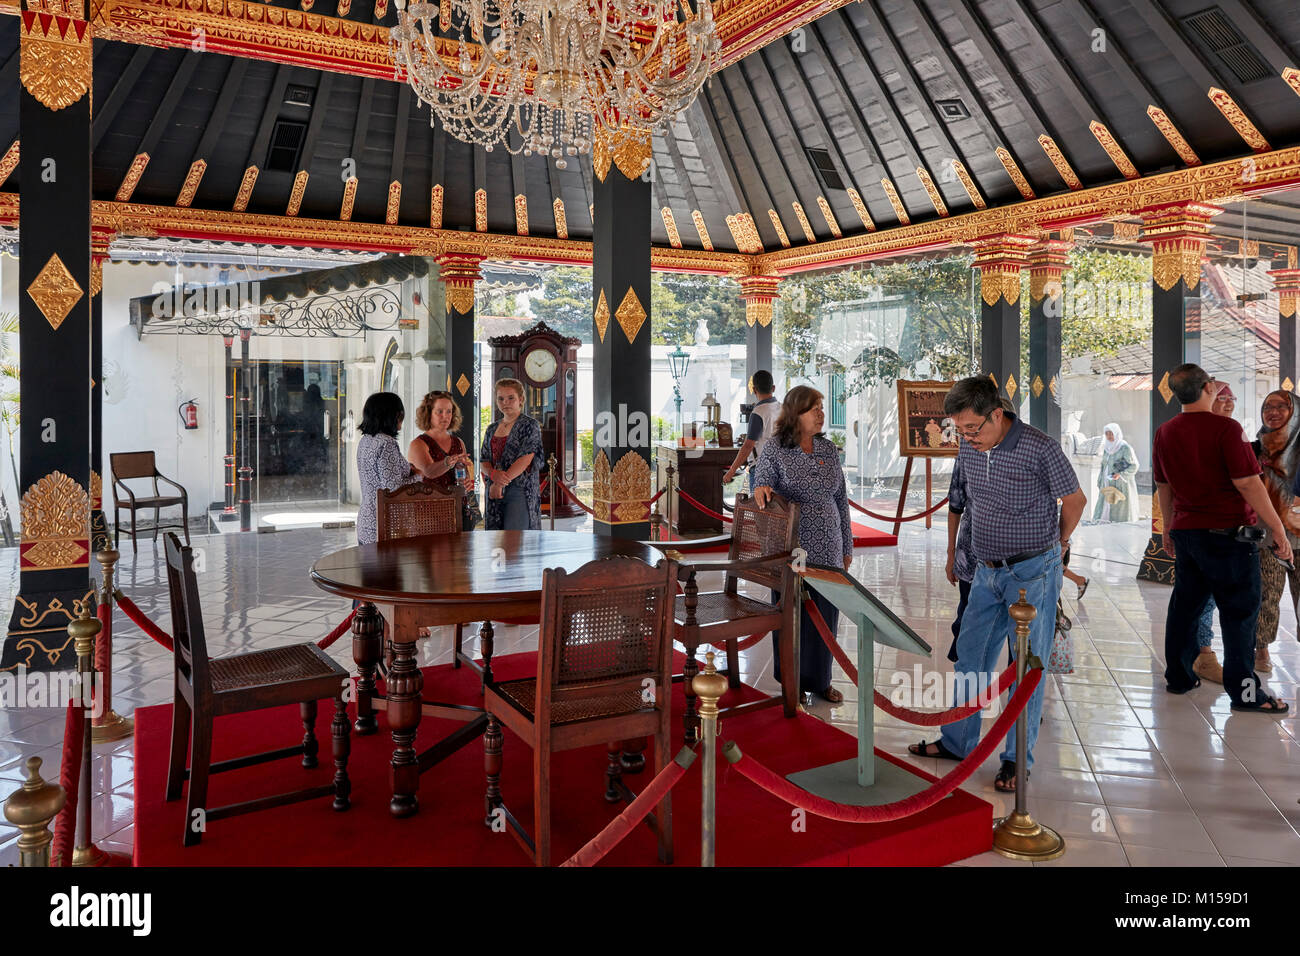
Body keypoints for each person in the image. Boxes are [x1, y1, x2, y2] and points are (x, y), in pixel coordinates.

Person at [908, 376, 1085, 792]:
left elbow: (1075, 501)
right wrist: (955, 553)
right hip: (984, 572)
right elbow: (961, 502)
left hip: (1032, 574)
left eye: (974, 429)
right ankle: (958, 743)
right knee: (970, 659)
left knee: (1024, 667)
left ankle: (1015, 759)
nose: (968, 438)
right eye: (961, 430)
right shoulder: (970, 449)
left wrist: (1056, 545)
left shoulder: (1040, 447)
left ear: (998, 414)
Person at [1154, 364, 1291, 713]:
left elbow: (1164, 487)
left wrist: (1169, 528)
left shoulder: (1165, 431)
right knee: (1239, 614)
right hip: (1228, 537)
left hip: (1187, 534)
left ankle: (1180, 678)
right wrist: (1276, 528)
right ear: (1208, 387)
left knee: (1185, 607)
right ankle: (1246, 695)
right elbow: (1248, 482)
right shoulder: (1226, 429)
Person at [753, 385, 855, 704]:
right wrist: (760, 489)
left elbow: (840, 499)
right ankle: (792, 681)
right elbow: (761, 482)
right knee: (792, 615)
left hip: (829, 543)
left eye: (822, 407)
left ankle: (821, 681)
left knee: (825, 615)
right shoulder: (775, 449)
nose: (821, 414)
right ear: (796, 413)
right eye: (815, 409)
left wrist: (847, 546)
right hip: (792, 545)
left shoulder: (828, 449)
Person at [1190, 380, 1245, 683]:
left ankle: (1198, 654)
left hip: (1226, 526)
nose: (1228, 402)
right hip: (1208, 526)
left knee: (1206, 596)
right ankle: (1204, 654)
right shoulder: (1206, 433)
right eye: (1221, 397)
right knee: (1204, 597)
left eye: (1231, 397)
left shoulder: (1231, 431)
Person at [1253, 389, 1300, 673]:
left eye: (1281, 406)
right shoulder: (1255, 447)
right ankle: (1261, 651)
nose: (1272, 411)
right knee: (1265, 593)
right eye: (1267, 406)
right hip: (1268, 532)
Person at [480, 378, 543, 530]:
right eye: (500, 399)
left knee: (516, 540)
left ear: (521, 399)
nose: (505, 402)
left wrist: (499, 483)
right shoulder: (491, 428)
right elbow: (484, 459)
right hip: (494, 489)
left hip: (520, 489)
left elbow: (525, 459)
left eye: (510, 398)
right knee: (496, 540)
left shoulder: (530, 425)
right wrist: (493, 476)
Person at [356, 391, 415, 546]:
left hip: (366, 521)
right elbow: (393, 489)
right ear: (395, 415)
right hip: (382, 525)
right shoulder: (386, 443)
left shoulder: (366, 441)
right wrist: (419, 476)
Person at [409, 390, 475, 495]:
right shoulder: (418, 444)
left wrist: (467, 481)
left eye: (449, 411)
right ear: (428, 413)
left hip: (457, 505)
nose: (445, 416)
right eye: (440, 411)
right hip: (430, 507)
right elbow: (428, 472)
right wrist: (448, 462)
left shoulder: (458, 442)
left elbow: (463, 472)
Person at [723, 370, 780, 490]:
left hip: (761, 468)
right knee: (777, 507)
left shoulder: (758, 412)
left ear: (754, 390)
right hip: (780, 467)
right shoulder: (783, 408)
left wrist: (731, 471)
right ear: (773, 388)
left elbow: (748, 446)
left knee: (758, 507)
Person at [944, 458, 976, 663]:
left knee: (1015, 634)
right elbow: (955, 507)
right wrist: (951, 553)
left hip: (1013, 562)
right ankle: (964, 683)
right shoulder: (966, 455)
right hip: (970, 556)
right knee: (967, 613)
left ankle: (1017, 693)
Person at [1093, 422, 1139, 524]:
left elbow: (1134, 465)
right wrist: (1100, 480)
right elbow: (1103, 465)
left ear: (1117, 433)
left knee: (1119, 506)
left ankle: (1119, 525)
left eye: (1111, 433)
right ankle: (1103, 522)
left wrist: (1121, 475)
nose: (1109, 436)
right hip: (1107, 481)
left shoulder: (1125, 448)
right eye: (1107, 433)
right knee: (1105, 503)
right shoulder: (1106, 448)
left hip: (1120, 483)